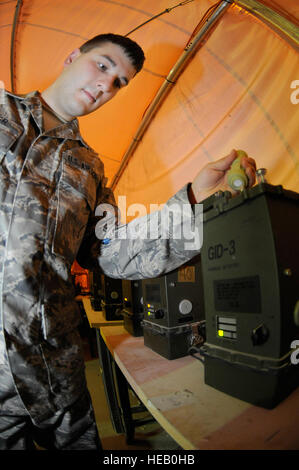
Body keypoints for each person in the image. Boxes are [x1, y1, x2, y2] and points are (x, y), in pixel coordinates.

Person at [0, 33, 256, 450]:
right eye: (102, 66)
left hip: (56, 373)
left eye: (119, 82)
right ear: (70, 56)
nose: (106, 85)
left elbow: (113, 252)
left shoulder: (88, 166)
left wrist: (193, 198)